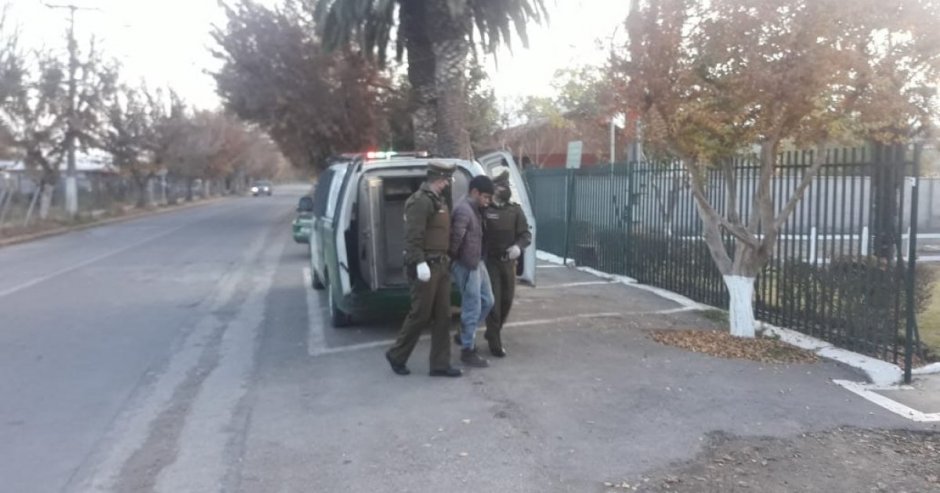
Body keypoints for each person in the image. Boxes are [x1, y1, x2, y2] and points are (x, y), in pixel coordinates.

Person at [385, 161, 462, 377]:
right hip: (426, 265)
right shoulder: (420, 202)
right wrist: (418, 262)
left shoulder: (438, 200)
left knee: (443, 316)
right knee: (420, 314)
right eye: (446, 179)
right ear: (438, 178)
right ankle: (397, 354)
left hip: (441, 264)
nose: (448, 183)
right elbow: (413, 236)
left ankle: (440, 364)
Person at [482, 167, 531, 357]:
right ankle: (495, 341)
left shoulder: (515, 210)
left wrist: (519, 246)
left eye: (505, 185)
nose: (503, 189)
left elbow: (526, 234)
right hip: (491, 262)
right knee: (494, 302)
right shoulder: (485, 210)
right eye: (499, 186)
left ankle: (492, 332)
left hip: (509, 263)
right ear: (493, 188)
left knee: (507, 301)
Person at [449, 175, 495, 368]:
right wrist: (456, 262)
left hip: (477, 262)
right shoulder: (464, 210)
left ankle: (464, 334)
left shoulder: (474, 208)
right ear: (474, 192)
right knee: (472, 306)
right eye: (485, 196)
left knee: (488, 301)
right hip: (467, 264)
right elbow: (455, 240)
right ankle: (467, 350)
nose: (487, 201)